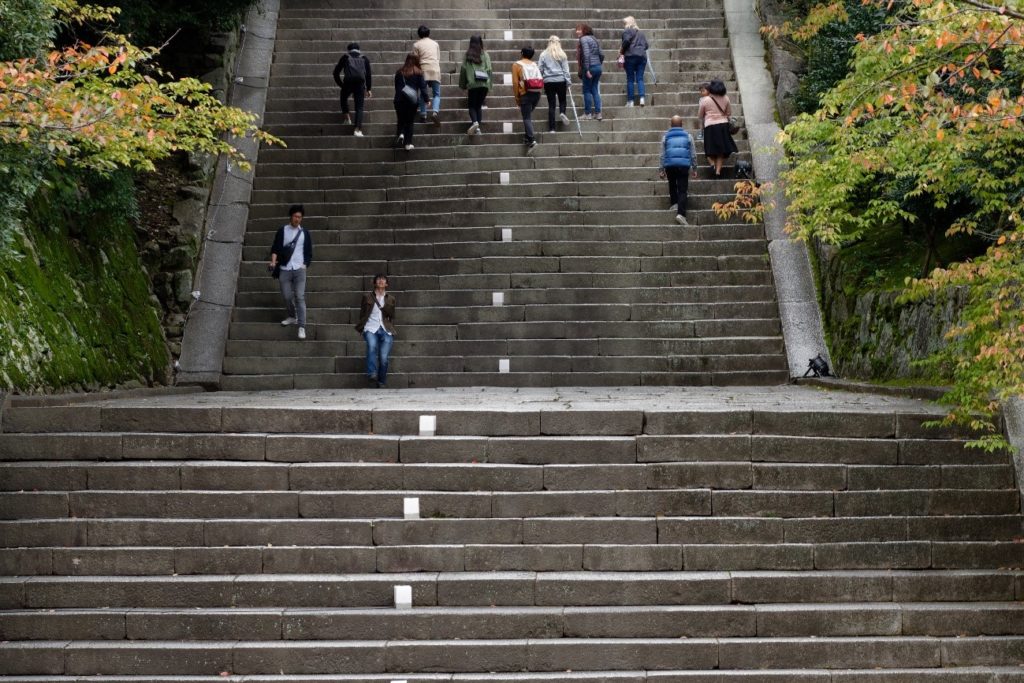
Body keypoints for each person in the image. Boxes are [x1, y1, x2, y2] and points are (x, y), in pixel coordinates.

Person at [269, 205, 313, 340]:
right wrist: (273, 262)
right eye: (295, 216)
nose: (297, 219)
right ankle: (292, 316)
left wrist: (305, 264)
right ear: (291, 216)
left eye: (300, 217)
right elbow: (275, 248)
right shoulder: (282, 231)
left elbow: (309, 252)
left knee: (299, 296)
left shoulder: (305, 233)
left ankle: (302, 326)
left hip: (299, 269)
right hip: (285, 268)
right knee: (287, 296)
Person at [356, 274, 396, 388]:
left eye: (383, 279)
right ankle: (372, 373)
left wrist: (390, 327)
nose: (381, 280)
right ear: (374, 283)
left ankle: (381, 381)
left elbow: (392, 315)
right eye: (378, 279)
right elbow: (362, 313)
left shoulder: (391, 298)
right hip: (370, 327)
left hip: (385, 329)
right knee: (372, 346)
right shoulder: (367, 297)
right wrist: (363, 327)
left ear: (386, 284)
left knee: (384, 358)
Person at [659, 116, 699, 226]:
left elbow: (662, 155)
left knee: (672, 184)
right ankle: (681, 214)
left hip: (670, 165)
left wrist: (661, 169)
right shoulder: (688, 136)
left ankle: (674, 203)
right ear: (682, 124)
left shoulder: (665, 137)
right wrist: (694, 168)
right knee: (682, 189)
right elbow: (693, 154)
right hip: (683, 165)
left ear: (670, 125)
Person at [698, 79, 739, 176]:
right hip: (723, 126)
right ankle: (718, 171)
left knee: (709, 149)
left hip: (710, 126)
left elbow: (700, 115)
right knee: (721, 151)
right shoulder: (726, 98)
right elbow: (729, 113)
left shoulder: (705, 100)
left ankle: (712, 164)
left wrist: (701, 128)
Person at [332, 42, 372, 137]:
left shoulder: (345, 57)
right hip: (360, 84)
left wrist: (341, 85)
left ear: (348, 50)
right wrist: (369, 88)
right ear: (359, 49)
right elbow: (368, 75)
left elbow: (335, 73)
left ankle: (347, 118)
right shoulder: (364, 58)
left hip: (348, 82)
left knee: (343, 98)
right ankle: (357, 130)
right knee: (359, 107)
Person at [394, 53, 430, 151]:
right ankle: (408, 143)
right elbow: (423, 88)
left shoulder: (399, 72)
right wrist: (427, 100)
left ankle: (401, 133)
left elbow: (396, 87)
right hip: (411, 101)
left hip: (399, 100)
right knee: (409, 122)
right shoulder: (418, 72)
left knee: (401, 119)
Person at [512, 46, 544, 154]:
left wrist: (517, 98)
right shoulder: (534, 64)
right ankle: (526, 138)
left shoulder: (516, 65)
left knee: (526, 118)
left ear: (521, 53)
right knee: (528, 116)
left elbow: (516, 83)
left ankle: (532, 140)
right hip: (536, 93)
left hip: (525, 94)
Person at [458, 35, 492, 136]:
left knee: (472, 106)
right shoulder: (485, 54)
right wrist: (489, 85)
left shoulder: (468, 55)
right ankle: (478, 129)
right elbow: (489, 70)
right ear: (480, 43)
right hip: (484, 83)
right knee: (479, 106)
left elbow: (463, 70)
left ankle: (475, 123)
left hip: (473, 84)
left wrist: (463, 85)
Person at [538, 35, 571, 133]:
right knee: (562, 100)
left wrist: (543, 78)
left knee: (551, 105)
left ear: (549, 42)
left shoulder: (543, 54)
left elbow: (540, 68)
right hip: (561, 80)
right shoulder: (562, 54)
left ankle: (552, 128)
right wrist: (568, 81)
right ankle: (562, 112)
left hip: (549, 81)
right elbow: (566, 70)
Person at [412, 25, 441, 125]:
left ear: (419, 34)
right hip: (435, 69)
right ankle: (435, 112)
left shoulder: (416, 45)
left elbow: (415, 60)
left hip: (423, 70)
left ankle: (423, 115)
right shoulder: (435, 44)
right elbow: (438, 58)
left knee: (422, 94)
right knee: (436, 94)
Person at [575, 23, 603, 120]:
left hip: (589, 67)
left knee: (587, 90)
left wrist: (586, 69)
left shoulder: (583, 39)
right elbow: (601, 54)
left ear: (584, 30)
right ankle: (598, 113)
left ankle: (587, 113)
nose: (577, 32)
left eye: (579, 29)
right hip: (598, 67)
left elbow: (586, 55)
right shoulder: (594, 39)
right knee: (594, 89)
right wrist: (599, 64)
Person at [620, 16, 649, 107]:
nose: (624, 25)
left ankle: (630, 101)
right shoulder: (641, 33)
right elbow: (647, 45)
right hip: (641, 57)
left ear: (628, 23)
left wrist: (621, 51)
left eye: (625, 23)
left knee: (630, 79)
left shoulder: (627, 31)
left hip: (630, 56)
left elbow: (626, 41)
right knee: (640, 78)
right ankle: (642, 98)